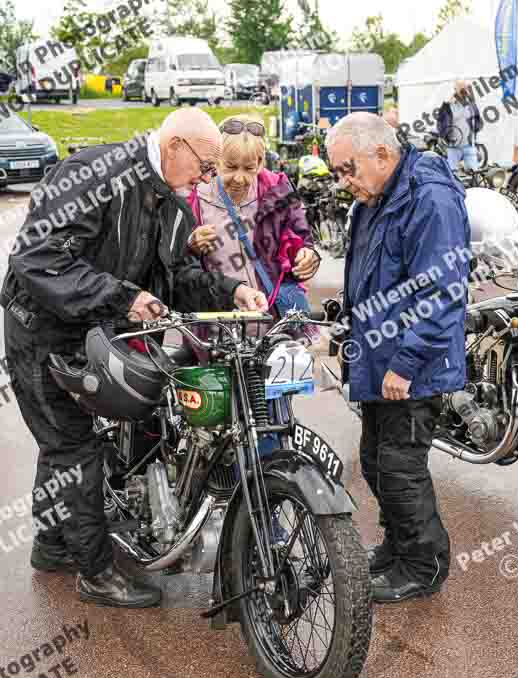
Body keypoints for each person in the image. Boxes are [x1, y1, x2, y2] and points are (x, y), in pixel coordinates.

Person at [1, 107, 267, 608]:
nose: (208, 178)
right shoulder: (92, 173)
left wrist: (231, 290)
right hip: (40, 330)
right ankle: (97, 572)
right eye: (207, 165)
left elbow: (180, 277)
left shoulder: (173, 203)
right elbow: (38, 256)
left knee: (66, 443)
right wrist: (123, 298)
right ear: (176, 147)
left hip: (95, 330)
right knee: (72, 445)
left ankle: (54, 543)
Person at [326, 112, 470, 604]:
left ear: (382, 154)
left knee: (400, 465)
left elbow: (443, 291)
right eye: (337, 173)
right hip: (377, 355)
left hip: (410, 365)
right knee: (375, 460)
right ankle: (397, 547)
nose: (344, 182)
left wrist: (406, 363)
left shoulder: (429, 197)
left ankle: (423, 564)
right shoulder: (377, 195)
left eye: (348, 169)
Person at [185, 114, 321, 341]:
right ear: (216, 160)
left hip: (275, 325)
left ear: (260, 162)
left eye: (249, 168)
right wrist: (190, 244)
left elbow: (302, 238)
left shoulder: (278, 190)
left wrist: (308, 255)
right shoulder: (194, 196)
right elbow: (178, 267)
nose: (239, 178)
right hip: (218, 329)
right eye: (230, 166)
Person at [437, 79, 482, 171]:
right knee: (452, 173)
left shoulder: (471, 103)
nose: (463, 90)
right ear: (455, 89)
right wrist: (446, 136)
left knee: (474, 173)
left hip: (469, 145)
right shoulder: (448, 105)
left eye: (465, 87)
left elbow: (477, 117)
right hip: (454, 147)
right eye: (461, 88)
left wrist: (475, 130)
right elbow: (441, 122)